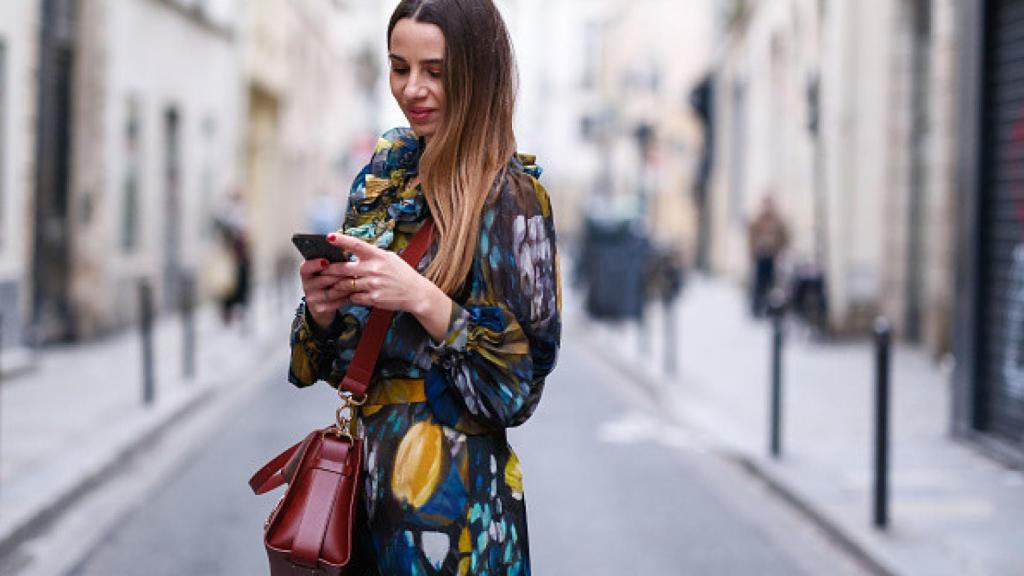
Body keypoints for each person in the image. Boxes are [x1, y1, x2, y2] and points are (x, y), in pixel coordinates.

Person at [288, 1, 561, 574]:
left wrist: (420, 297)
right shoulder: (384, 180)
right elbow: (341, 365)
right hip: (365, 502)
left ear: (477, 72)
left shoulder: (511, 199)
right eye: (399, 67)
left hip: (457, 519)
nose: (412, 89)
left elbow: (518, 389)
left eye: (435, 71)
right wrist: (323, 311)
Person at [747, 195, 789, 317]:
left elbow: (784, 237)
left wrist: (780, 250)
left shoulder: (777, 221)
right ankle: (757, 308)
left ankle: (771, 309)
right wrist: (753, 251)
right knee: (760, 283)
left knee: (772, 284)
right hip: (761, 257)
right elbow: (752, 237)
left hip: (773, 257)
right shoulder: (758, 220)